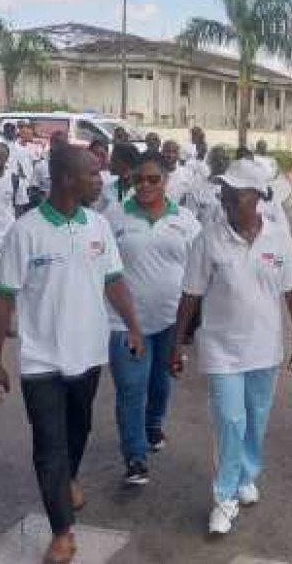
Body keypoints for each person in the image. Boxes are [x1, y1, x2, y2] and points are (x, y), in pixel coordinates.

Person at [0, 145, 144, 564]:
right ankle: (62, 532)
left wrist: (132, 325)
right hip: (41, 360)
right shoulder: (25, 232)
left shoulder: (98, 226)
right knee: (48, 445)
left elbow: (113, 280)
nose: (102, 180)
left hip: (88, 353)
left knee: (77, 431)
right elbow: (2, 297)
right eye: (94, 174)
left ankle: (70, 477)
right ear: (65, 179)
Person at [169, 158, 292, 535]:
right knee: (230, 421)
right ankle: (224, 498)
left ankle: (247, 475)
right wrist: (178, 342)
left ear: (258, 196)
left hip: (264, 349)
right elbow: (190, 294)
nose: (227, 199)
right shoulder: (208, 237)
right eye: (225, 193)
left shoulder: (279, 238)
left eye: (236, 194)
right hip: (220, 349)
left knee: (255, 417)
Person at [105, 151, 201, 485]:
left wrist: (191, 328)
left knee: (160, 383)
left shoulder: (186, 220)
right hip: (124, 323)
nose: (144, 185)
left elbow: (200, 272)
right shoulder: (114, 216)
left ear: (166, 180)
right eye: (138, 179)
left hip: (169, 321)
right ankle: (135, 456)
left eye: (153, 179)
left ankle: (152, 424)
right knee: (131, 387)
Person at [0, 142, 28, 280]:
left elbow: (20, 213)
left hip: (6, 242)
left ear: (5, 160)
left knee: (3, 281)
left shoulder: (15, 181)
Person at [183, 146, 230, 225]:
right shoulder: (197, 189)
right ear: (209, 162)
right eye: (216, 159)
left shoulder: (235, 190)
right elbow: (190, 220)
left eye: (224, 158)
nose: (220, 162)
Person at [94, 142, 140, 214]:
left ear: (125, 162)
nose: (110, 163)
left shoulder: (142, 188)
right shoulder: (106, 188)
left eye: (114, 160)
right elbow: (96, 214)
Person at [32, 130, 70, 200]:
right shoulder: (40, 166)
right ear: (51, 143)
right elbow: (34, 190)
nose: (62, 146)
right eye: (58, 142)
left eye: (64, 143)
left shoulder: (72, 166)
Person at [160, 139, 192, 204]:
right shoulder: (153, 174)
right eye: (167, 152)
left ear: (178, 154)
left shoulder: (187, 174)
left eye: (174, 152)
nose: (170, 155)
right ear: (162, 153)